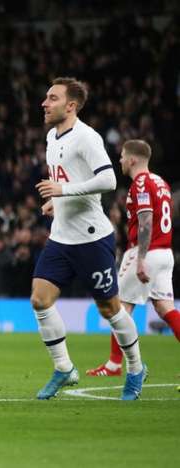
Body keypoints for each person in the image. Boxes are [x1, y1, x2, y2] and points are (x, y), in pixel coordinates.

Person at [32, 77, 146, 400]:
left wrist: (63, 191)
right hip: (61, 238)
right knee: (40, 300)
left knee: (110, 309)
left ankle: (136, 368)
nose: (44, 103)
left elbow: (108, 179)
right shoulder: (52, 137)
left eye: (52, 98)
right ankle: (64, 367)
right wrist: (58, 201)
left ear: (71, 106)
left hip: (92, 238)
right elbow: (71, 179)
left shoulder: (87, 137)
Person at [87, 139, 177, 376]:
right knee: (165, 307)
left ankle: (115, 364)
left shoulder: (141, 183)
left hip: (145, 251)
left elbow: (146, 222)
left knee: (120, 307)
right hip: (165, 253)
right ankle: (115, 363)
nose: (120, 160)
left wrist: (140, 259)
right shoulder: (161, 182)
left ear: (133, 159)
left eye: (123, 156)